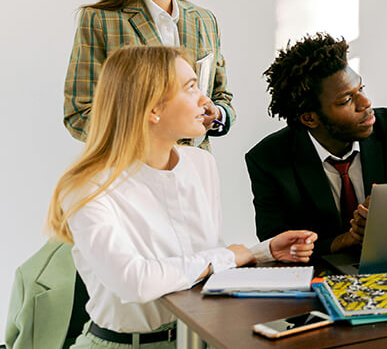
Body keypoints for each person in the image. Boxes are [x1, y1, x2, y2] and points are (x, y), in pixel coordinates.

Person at [46, 46, 316, 348]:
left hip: (202, 337)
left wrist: (261, 252)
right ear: (153, 109)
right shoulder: (88, 188)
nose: (205, 100)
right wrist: (227, 256)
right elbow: (136, 282)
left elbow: (200, 263)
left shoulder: (201, 164)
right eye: (190, 88)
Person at [247, 33, 387, 257]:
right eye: (346, 100)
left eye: (361, 88)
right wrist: (341, 242)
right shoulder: (268, 159)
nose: (366, 103)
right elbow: (277, 243)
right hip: (321, 276)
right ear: (309, 118)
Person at [64, 0, 234, 148]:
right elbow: (79, 114)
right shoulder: (101, 20)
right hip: (132, 168)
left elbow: (222, 97)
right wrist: (150, 135)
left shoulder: (204, 21)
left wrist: (216, 113)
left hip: (195, 170)